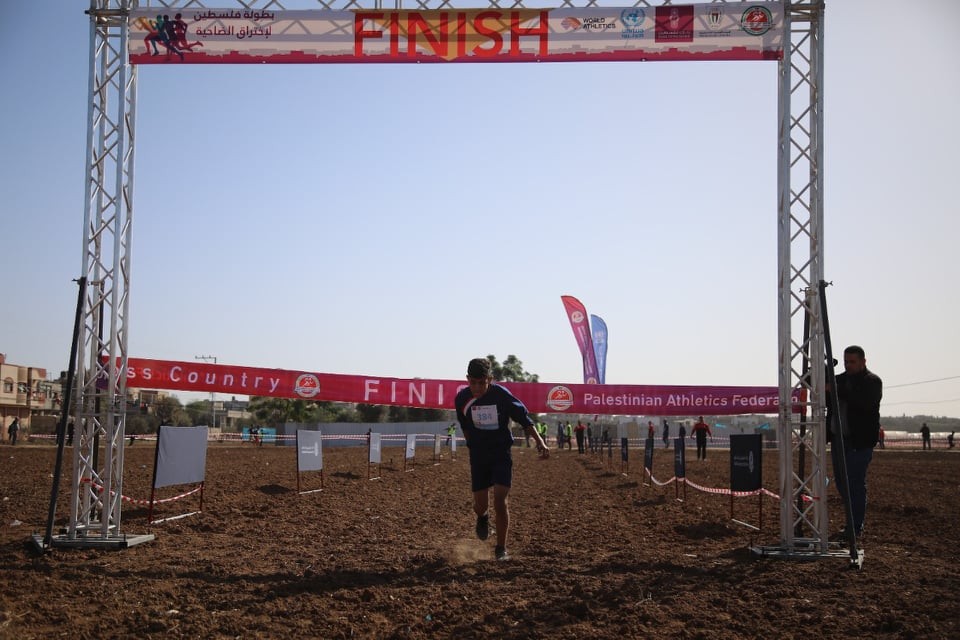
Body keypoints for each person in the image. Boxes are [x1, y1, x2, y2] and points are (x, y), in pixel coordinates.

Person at [455, 358, 548, 561]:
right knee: (480, 505)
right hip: (479, 456)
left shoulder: (502, 396)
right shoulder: (462, 399)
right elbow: (464, 425)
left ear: (490, 379)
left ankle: (501, 549)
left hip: (500, 454)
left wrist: (540, 441)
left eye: (482, 383)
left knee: (500, 500)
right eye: (473, 383)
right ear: (467, 379)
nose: (477, 387)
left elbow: (524, 419)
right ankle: (482, 517)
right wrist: (472, 446)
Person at [827, 345, 882, 541]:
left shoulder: (872, 381)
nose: (848, 365)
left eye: (852, 362)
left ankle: (855, 526)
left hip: (859, 442)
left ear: (863, 361)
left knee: (855, 483)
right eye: (846, 362)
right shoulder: (839, 380)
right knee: (842, 483)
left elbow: (863, 402)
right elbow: (824, 397)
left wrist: (834, 389)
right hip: (839, 440)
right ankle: (852, 522)